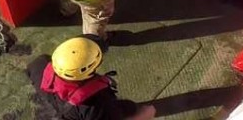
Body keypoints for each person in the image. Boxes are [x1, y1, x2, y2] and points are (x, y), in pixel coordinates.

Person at [27, 36, 156, 120]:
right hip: (88, 115)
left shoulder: (39, 64)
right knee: (133, 109)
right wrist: (145, 115)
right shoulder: (98, 103)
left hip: (61, 109)